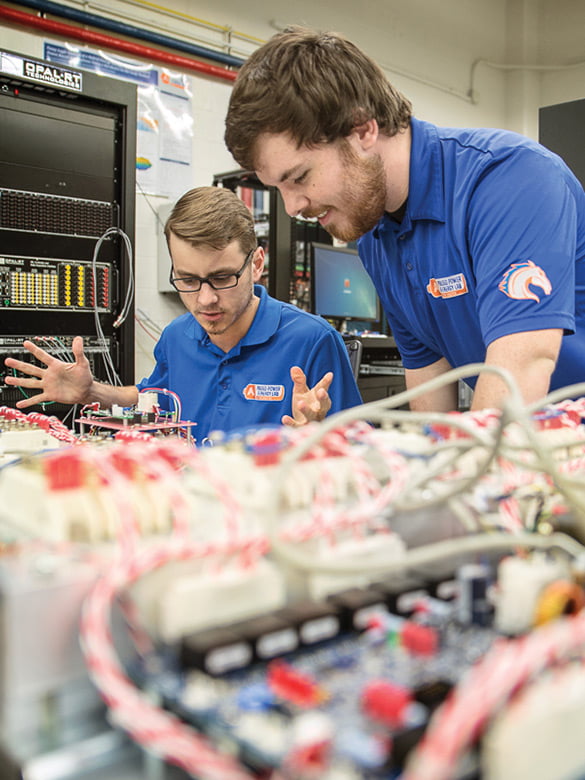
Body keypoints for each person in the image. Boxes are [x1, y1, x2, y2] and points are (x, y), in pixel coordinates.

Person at [224, 26, 585, 412]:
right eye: (278, 188)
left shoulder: (508, 178)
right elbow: (430, 386)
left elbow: (521, 366)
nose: (292, 206)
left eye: (299, 177)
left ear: (363, 129)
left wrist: (467, 469)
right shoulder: (376, 240)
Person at [4, 186, 362, 441]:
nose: (205, 300)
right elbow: (151, 399)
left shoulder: (312, 341)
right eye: (188, 280)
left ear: (256, 264)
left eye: (222, 278)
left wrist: (317, 437)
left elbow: (365, 458)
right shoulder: (177, 336)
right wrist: (92, 391)